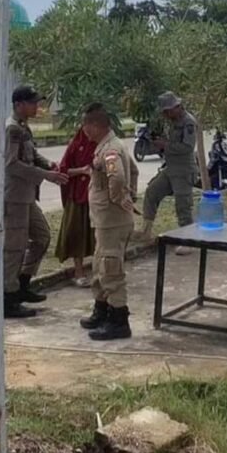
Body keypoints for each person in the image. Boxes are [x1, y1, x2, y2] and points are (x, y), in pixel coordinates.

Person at [4, 85, 68, 318]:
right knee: (14, 248)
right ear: (19, 104)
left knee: (42, 237)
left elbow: (30, 154)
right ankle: (8, 299)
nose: (36, 106)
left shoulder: (22, 127)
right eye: (32, 103)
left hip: (27, 197)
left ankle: (22, 284)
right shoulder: (11, 129)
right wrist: (46, 176)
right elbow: (11, 164)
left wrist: (48, 164)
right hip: (15, 198)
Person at [79, 103, 139, 341]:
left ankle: (118, 320)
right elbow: (134, 171)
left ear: (95, 126)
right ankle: (101, 310)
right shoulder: (109, 145)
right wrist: (130, 194)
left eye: (85, 125)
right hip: (105, 221)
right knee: (99, 266)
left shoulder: (110, 149)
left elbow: (119, 176)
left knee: (111, 270)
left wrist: (118, 198)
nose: (83, 130)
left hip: (112, 220)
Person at [140, 92, 198, 252]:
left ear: (177, 107)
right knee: (152, 192)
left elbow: (187, 147)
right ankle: (146, 230)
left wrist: (166, 145)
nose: (166, 115)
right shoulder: (172, 122)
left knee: (183, 206)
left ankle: (188, 241)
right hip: (170, 168)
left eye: (168, 111)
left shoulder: (188, 123)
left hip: (184, 170)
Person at [54, 123, 97, 287]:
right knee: (76, 234)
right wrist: (82, 170)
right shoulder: (75, 145)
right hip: (77, 197)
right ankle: (79, 272)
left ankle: (99, 271)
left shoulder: (103, 146)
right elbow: (63, 170)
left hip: (96, 197)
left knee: (97, 236)